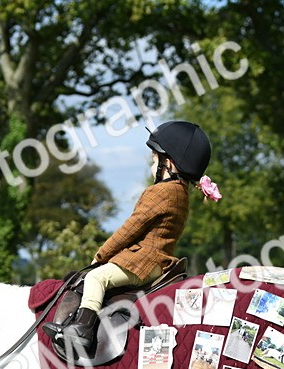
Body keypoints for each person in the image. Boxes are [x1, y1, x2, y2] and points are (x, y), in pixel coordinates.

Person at [44, 121, 221, 352]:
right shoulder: (181, 194)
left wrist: (101, 255)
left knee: (97, 278)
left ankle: (82, 329)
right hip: (160, 264)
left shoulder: (160, 192)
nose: (152, 162)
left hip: (142, 262)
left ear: (167, 163)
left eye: (154, 158)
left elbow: (130, 229)